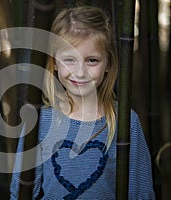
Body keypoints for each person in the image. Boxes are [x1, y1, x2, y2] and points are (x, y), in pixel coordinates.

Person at [10, 6, 155, 200]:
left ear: (108, 65)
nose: (80, 72)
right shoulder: (39, 122)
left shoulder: (126, 123)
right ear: (54, 63)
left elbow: (141, 194)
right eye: (70, 59)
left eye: (92, 60)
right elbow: (21, 193)